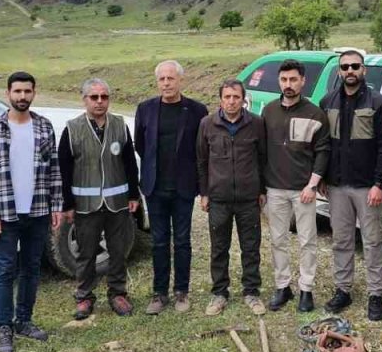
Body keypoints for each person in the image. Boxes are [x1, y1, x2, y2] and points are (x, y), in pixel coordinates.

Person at [0, 71, 64, 352]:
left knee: (31, 268)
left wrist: (56, 205)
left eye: (27, 91)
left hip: (37, 211)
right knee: (4, 270)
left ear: (34, 93)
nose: (22, 96)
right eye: (17, 91)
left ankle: (24, 320)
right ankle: (4, 326)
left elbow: (54, 170)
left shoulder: (44, 127)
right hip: (5, 213)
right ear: (8, 94)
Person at [319, 49, 382, 321]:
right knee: (341, 240)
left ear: (364, 70)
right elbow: (323, 144)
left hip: (367, 187)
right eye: (345, 67)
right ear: (339, 71)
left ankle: (376, 294)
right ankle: (343, 289)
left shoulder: (378, 103)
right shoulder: (327, 102)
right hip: (337, 186)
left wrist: (379, 183)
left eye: (355, 66)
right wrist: (322, 176)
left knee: (373, 242)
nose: (350, 71)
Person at [58, 79, 141, 320]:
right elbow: (64, 169)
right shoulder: (72, 129)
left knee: (118, 251)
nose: (99, 101)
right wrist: (67, 204)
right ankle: (84, 296)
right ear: (84, 99)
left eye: (104, 97)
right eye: (94, 97)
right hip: (86, 206)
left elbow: (129, 163)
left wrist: (133, 195)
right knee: (86, 253)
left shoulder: (120, 125)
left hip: (117, 203)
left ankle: (118, 294)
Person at [135, 60, 208, 315]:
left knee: (182, 241)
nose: (166, 83)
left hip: (183, 187)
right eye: (162, 79)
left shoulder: (197, 110)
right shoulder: (145, 109)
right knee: (158, 241)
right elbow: (140, 145)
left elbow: (202, 149)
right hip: (155, 188)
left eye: (171, 78)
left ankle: (181, 291)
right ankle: (159, 293)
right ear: (157, 82)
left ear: (180, 80)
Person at [261, 59, 329, 312]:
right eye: (284, 80)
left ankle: (306, 289)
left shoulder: (315, 114)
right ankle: (283, 287)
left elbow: (323, 151)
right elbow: (261, 150)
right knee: (278, 240)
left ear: (303, 81)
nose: (288, 84)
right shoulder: (268, 111)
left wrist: (312, 185)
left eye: (293, 79)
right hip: (274, 188)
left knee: (307, 241)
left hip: (303, 190)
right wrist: (261, 188)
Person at [197, 79, 268, 316]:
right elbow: (202, 161)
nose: (231, 101)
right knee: (219, 248)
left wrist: (261, 190)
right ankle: (219, 293)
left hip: (248, 198)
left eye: (236, 97)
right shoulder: (207, 124)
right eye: (227, 97)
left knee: (251, 247)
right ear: (220, 99)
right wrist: (204, 193)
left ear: (243, 99)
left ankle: (251, 292)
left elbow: (263, 159)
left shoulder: (256, 123)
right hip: (219, 198)